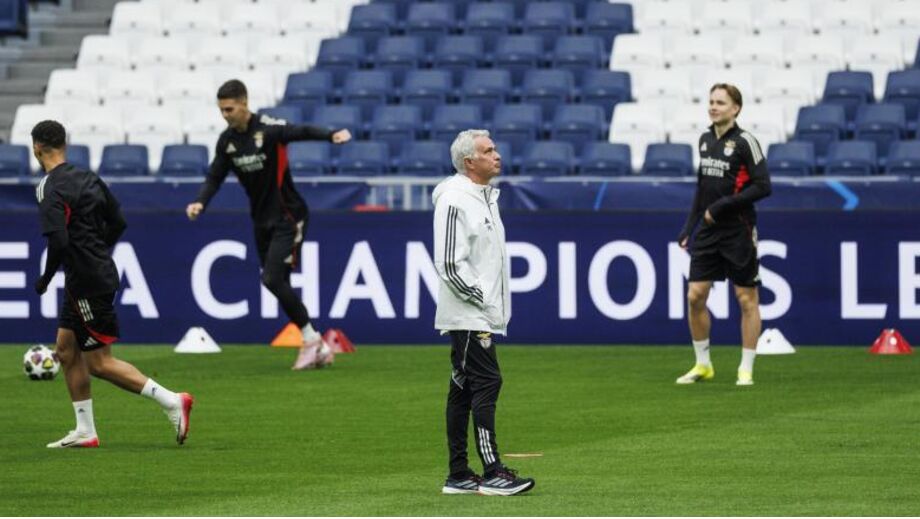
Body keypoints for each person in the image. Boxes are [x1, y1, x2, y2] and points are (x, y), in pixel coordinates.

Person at [31, 120, 194, 448]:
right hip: (89, 275)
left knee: (99, 362)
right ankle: (85, 430)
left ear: (36, 148)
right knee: (65, 349)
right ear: (65, 144)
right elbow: (118, 221)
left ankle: (172, 400)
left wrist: (46, 279)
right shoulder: (89, 177)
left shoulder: (50, 188)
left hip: (87, 281)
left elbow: (59, 242)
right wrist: (96, 251)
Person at [185, 80, 352, 370]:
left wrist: (330, 135)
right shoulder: (227, 142)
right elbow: (215, 176)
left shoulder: (268, 128)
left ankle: (312, 342)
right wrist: (201, 201)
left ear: (244, 103)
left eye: (229, 109)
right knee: (277, 281)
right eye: (221, 110)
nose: (225, 115)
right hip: (261, 220)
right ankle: (320, 347)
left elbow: (300, 131)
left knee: (272, 279)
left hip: (289, 215)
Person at [432, 129, 535, 496]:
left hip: (477, 313)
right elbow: (448, 261)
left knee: (462, 388)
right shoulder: (455, 199)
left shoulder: (484, 196)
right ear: (468, 162)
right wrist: (481, 300)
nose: (497, 155)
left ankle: (458, 474)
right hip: (468, 314)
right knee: (488, 382)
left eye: (494, 149)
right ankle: (492, 471)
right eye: (488, 150)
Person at [676, 84, 772, 387]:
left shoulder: (746, 142)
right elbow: (701, 188)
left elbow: (763, 186)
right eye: (711, 101)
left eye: (720, 102)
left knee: (745, 298)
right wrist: (688, 227)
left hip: (738, 229)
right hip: (708, 229)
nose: (713, 107)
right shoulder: (704, 139)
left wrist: (722, 207)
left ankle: (746, 368)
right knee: (695, 296)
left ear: (736, 108)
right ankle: (703, 364)